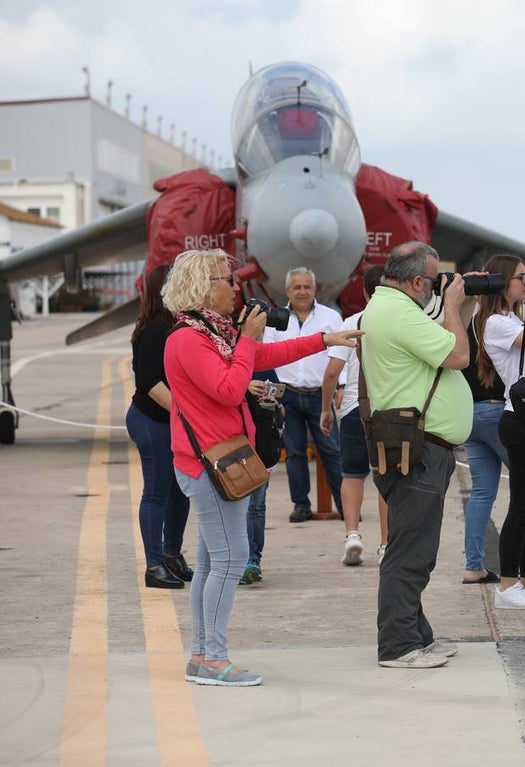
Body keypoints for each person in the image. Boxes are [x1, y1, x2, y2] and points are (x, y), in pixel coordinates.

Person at [162, 248, 360, 687]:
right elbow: (231, 389)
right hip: (209, 465)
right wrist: (249, 338)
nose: (236, 289)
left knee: (214, 563)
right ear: (202, 287)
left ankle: (201, 656)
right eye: (224, 280)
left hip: (222, 460)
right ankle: (213, 659)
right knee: (232, 560)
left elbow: (264, 360)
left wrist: (324, 340)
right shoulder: (188, 338)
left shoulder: (213, 332)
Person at [361, 241, 473, 668]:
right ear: (416, 281)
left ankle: (416, 635)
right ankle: (398, 646)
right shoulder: (399, 312)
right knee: (410, 551)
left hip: (420, 445)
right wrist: (454, 303)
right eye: (431, 280)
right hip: (419, 449)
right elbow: (458, 354)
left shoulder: (393, 308)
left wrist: (449, 305)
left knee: (416, 547)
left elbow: (442, 341)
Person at [480, 254, 525, 610]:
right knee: (522, 505)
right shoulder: (495, 322)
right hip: (518, 419)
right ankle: (507, 585)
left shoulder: (514, 317)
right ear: (501, 282)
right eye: (521, 278)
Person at [125, 264, 192, 589]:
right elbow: (151, 383)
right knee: (156, 492)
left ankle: (171, 554)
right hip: (152, 420)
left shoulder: (175, 325)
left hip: (172, 420)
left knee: (181, 492)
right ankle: (154, 566)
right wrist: (188, 412)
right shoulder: (153, 330)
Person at [262, 267, 346, 523]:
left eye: (306, 287)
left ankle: (345, 505)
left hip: (320, 395)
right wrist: (271, 393)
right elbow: (266, 356)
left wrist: (341, 385)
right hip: (286, 396)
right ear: (288, 291)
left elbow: (342, 355)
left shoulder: (331, 317)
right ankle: (301, 505)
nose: (302, 292)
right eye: (296, 287)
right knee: (295, 453)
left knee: (332, 450)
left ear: (314, 289)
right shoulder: (276, 318)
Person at [319, 264, 390, 566]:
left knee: (352, 474)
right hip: (388, 410)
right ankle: (387, 543)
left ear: (364, 292)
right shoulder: (398, 322)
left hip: (352, 409)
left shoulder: (352, 321)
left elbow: (333, 371)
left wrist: (325, 409)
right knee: (386, 477)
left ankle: (352, 534)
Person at [459, 308, 508, 586]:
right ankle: (524, 566)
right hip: (497, 411)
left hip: (470, 414)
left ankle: (473, 566)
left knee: (481, 493)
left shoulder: (466, 325)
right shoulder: (503, 325)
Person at [240, 373, 282, 585]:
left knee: (256, 507)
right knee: (238, 507)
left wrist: (272, 403)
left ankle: (253, 559)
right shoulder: (223, 358)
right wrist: (243, 387)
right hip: (235, 447)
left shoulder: (263, 363)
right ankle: (237, 560)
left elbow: (281, 409)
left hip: (262, 448)